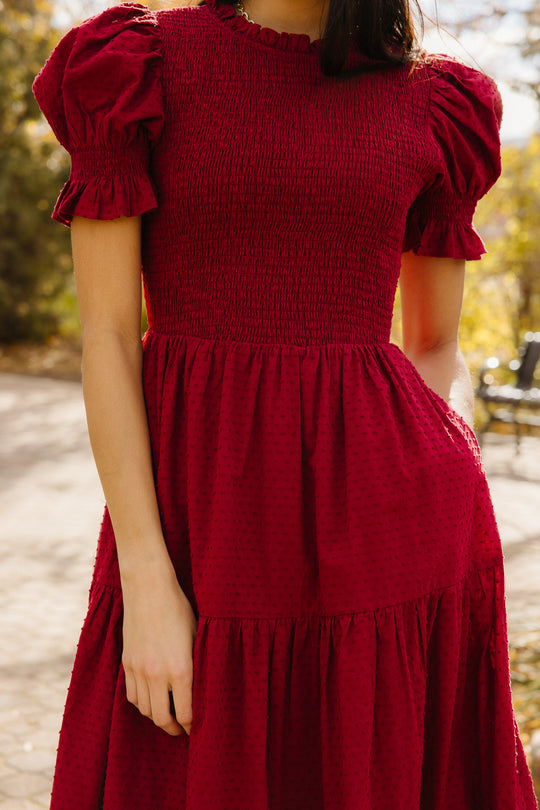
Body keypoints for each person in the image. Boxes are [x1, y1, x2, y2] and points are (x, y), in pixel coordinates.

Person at [32, 0, 537, 808]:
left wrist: (419, 495)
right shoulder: (139, 70)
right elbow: (110, 337)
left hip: (391, 555)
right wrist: (148, 578)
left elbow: (435, 344)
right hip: (203, 540)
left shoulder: (436, 103)